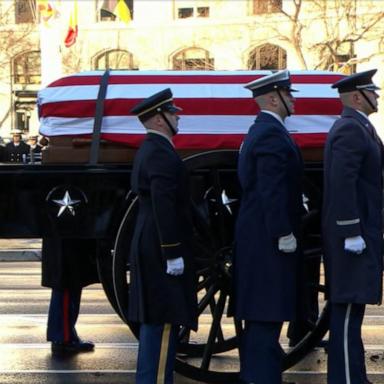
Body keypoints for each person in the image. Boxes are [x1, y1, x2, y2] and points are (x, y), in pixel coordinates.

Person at [233, 70, 304, 384]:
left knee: (262, 323)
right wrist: (283, 232)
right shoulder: (271, 134)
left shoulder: (261, 131)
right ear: (274, 98)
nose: (293, 100)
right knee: (266, 320)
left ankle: (257, 377)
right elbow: (269, 190)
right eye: (289, 95)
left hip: (257, 241)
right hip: (267, 244)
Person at [129, 88, 197, 384]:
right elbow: (164, 206)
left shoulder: (152, 149)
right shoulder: (160, 153)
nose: (176, 116)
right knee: (163, 321)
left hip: (150, 241)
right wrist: (172, 252)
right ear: (158, 120)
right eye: (171, 113)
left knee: (155, 322)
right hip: (160, 245)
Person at [322, 69, 382, 384]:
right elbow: (342, 183)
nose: (378, 96)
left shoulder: (360, 127)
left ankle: (355, 376)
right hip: (351, 238)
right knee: (345, 314)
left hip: (361, 233)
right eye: (373, 91)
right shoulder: (350, 129)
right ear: (358, 96)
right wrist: (351, 231)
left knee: (354, 311)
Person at [42, 237, 99, 354]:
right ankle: (63, 338)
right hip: (65, 236)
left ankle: (65, 336)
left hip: (66, 236)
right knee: (67, 285)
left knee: (71, 285)